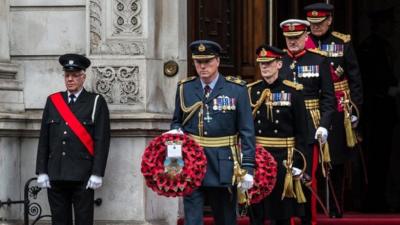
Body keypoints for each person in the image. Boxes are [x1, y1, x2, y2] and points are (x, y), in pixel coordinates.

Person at [169, 40, 255, 225]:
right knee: (192, 218)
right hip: (193, 160)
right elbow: (177, 121)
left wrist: (248, 168)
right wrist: (176, 133)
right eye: (198, 62)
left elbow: (247, 131)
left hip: (223, 162)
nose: (202, 66)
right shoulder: (185, 88)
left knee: (225, 217)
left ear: (217, 61)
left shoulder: (236, 89)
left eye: (207, 61)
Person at [304, 3, 364, 217]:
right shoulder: (303, 42)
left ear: (329, 20)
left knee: (336, 157)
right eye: (312, 24)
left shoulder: (342, 42)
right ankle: (315, 204)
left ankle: (337, 205)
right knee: (313, 156)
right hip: (312, 105)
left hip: (339, 106)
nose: (316, 27)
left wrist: (355, 110)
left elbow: (355, 79)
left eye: (320, 23)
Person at [35, 54, 111, 225]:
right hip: (56, 172)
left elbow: (102, 139)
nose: (70, 79)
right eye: (67, 75)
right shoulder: (53, 101)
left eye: (75, 75)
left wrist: (97, 172)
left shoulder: (95, 102)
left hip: (82, 174)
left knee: (84, 220)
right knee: (59, 221)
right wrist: (42, 170)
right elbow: (44, 137)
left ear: (83, 77)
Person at [279, 19, 336, 225]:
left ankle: (307, 220)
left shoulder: (319, 60)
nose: (293, 42)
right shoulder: (279, 60)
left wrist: (324, 124)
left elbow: (329, 97)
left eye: (296, 38)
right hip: (284, 126)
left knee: (305, 176)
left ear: (306, 37)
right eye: (289, 38)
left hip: (311, 124)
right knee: (284, 174)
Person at [247, 45, 308, 225]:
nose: (265, 67)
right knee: (256, 210)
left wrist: (299, 163)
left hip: (283, 158)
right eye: (262, 64)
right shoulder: (251, 90)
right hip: (258, 156)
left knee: (282, 212)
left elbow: (302, 132)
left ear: (279, 64)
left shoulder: (293, 91)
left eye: (269, 63)